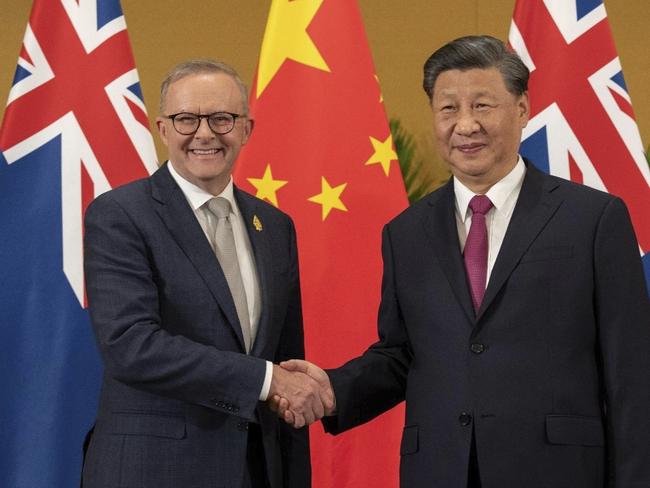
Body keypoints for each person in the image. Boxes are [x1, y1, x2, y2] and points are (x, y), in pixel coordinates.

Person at [274, 36, 650, 488]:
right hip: (439, 468)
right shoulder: (406, 232)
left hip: (557, 470)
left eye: (483, 105)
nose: (465, 125)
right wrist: (333, 390)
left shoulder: (593, 219)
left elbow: (632, 374)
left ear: (523, 108)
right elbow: (402, 355)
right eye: (448, 108)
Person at [81, 59, 332, 488]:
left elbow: (284, 358)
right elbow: (130, 345)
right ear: (162, 129)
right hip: (152, 470)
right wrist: (266, 380)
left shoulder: (274, 226)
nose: (204, 133)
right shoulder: (121, 214)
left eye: (222, 118)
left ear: (246, 129)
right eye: (186, 119)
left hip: (254, 468)